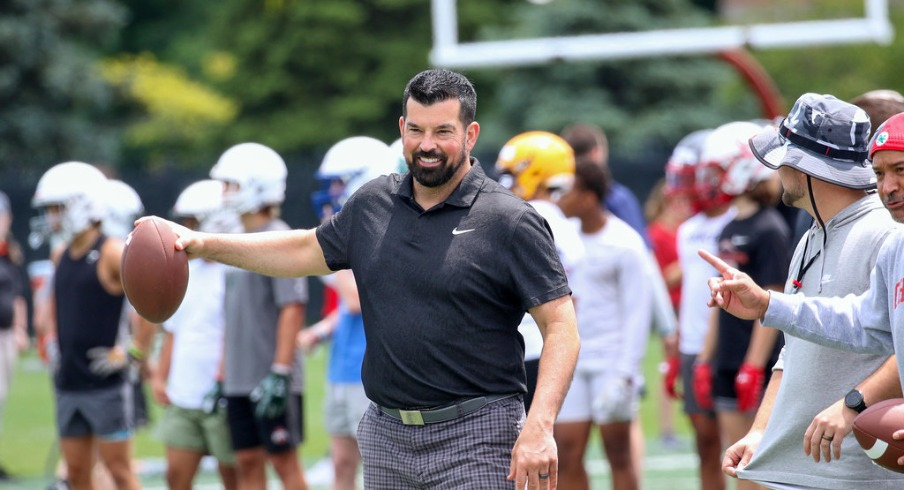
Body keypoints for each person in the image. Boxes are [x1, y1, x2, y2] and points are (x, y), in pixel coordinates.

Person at [142, 68, 579, 489]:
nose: (427, 145)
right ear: (402, 127)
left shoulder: (509, 219)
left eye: (443, 132)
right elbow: (303, 249)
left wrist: (539, 425)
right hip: (387, 436)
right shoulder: (373, 203)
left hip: (477, 434)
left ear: (470, 134)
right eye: (417, 131)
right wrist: (202, 243)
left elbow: (561, 327)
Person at [701, 93, 904, 489]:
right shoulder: (811, 238)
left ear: (805, 167)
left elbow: (893, 344)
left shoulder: (885, 232)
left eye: (900, 170)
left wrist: (853, 405)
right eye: (880, 173)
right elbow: (843, 328)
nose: (889, 186)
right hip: (806, 464)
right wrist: (764, 430)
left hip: (854, 469)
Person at [30, 161, 156, 490]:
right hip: (69, 380)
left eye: (57, 208)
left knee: (120, 471)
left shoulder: (112, 251)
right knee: (75, 473)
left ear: (83, 205)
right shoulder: (61, 254)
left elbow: (149, 306)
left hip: (105, 385)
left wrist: (132, 352)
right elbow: (57, 305)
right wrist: (53, 340)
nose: (52, 217)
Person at [692, 122, 790, 490]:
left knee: (756, 466)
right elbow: (721, 301)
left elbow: (774, 302)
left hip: (757, 361)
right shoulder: (728, 226)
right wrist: (705, 358)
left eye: (717, 169)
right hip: (728, 357)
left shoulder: (770, 229)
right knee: (734, 464)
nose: (711, 179)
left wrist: (752, 365)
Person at [299, 135, 399, 490]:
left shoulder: (381, 231)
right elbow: (346, 309)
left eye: (340, 181)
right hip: (341, 363)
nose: (333, 190)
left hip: (366, 369)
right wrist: (320, 331)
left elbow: (356, 299)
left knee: (375, 467)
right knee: (340, 461)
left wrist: (324, 255)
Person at [208, 142, 309, 490]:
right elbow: (232, 316)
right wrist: (223, 373)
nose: (224, 194)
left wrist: (280, 371)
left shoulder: (279, 237)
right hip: (239, 376)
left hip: (271, 374)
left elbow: (292, 307)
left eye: (231, 185)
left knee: (283, 461)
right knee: (247, 460)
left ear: (258, 185)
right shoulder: (237, 240)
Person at [554, 158, 653, 490]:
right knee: (566, 452)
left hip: (612, 362)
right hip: (572, 361)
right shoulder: (563, 238)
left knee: (618, 455)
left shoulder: (624, 242)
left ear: (589, 196)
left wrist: (626, 373)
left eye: (567, 191)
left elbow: (639, 311)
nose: (559, 199)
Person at [150, 179, 239, 490]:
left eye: (192, 222)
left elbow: (238, 330)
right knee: (176, 477)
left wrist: (224, 373)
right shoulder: (181, 270)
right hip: (184, 392)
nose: (186, 229)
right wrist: (160, 376)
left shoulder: (237, 270)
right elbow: (173, 330)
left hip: (223, 393)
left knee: (235, 478)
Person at [494, 130, 584, 415]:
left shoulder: (523, 217)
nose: (505, 182)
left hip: (513, 345)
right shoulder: (566, 224)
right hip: (548, 347)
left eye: (512, 173)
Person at [672, 126, 736, 490]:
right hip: (692, 345)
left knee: (739, 444)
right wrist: (678, 347)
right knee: (705, 443)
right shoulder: (688, 229)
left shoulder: (738, 223)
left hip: (727, 345)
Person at [0, 190, 26, 481]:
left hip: (6, 334)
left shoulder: (10, 251)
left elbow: (17, 295)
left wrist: (20, 328)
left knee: (1, 397)